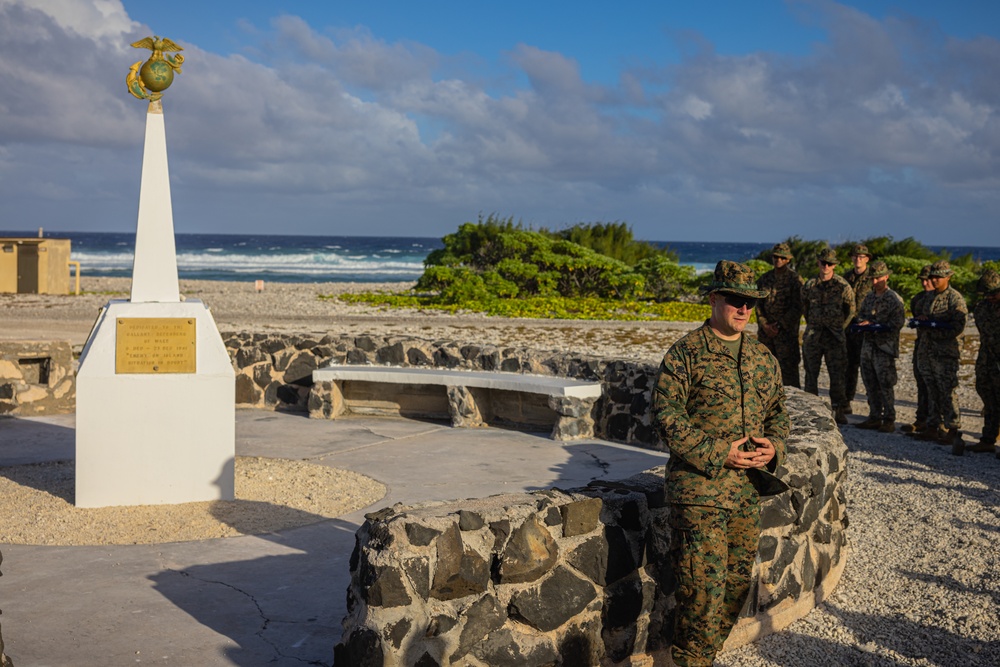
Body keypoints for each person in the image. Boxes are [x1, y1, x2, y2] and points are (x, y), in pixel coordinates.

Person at [653, 260, 789, 667]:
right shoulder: (686, 354)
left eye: (751, 302)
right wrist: (719, 452)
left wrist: (774, 446)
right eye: (735, 300)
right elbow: (666, 415)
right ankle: (691, 661)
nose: (744, 309)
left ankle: (702, 657)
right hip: (700, 492)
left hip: (746, 493)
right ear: (714, 299)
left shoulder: (763, 357)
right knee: (701, 591)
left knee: (733, 589)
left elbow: (779, 411)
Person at [912, 260, 967, 451]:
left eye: (938, 277)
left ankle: (952, 428)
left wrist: (936, 330)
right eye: (932, 276)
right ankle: (933, 425)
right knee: (931, 388)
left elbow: (958, 326)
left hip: (945, 353)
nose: (934, 280)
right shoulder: (928, 298)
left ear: (948, 277)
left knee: (947, 390)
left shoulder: (954, 299)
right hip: (927, 351)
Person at [801, 248, 855, 424]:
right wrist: (814, 323)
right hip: (814, 335)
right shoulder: (810, 285)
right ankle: (810, 410)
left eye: (830, 263)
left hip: (834, 337)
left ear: (834, 265)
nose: (826, 266)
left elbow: (850, 310)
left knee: (837, 374)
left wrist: (839, 327)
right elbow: (805, 307)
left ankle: (839, 409)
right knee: (811, 374)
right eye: (823, 262)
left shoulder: (842, 286)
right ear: (818, 263)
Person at [852, 261, 905, 432]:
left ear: (886, 277)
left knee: (885, 383)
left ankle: (889, 418)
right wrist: (863, 323)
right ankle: (874, 416)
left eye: (879, 278)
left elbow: (897, 323)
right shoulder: (869, 297)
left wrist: (875, 324)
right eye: (873, 279)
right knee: (870, 382)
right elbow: (861, 316)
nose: (875, 282)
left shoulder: (893, 299)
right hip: (868, 346)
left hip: (884, 347)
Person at [756, 242, 804, 388]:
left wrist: (779, 325)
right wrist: (764, 324)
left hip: (786, 335)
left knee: (790, 376)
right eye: (776, 257)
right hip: (766, 335)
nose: (778, 260)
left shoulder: (795, 280)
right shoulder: (764, 279)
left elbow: (798, 306)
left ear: (788, 260)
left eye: (782, 258)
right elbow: (758, 304)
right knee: (765, 373)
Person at [902, 265, 935, 434]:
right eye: (922, 280)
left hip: (938, 348)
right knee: (921, 382)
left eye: (927, 280)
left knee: (936, 386)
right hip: (921, 344)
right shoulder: (918, 299)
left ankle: (936, 422)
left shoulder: (943, 298)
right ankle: (921, 419)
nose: (924, 283)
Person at [972, 269, 1000, 454]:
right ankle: (988, 438)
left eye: (993, 293)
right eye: (986, 294)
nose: (989, 297)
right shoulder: (981, 308)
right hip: (986, 359)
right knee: (987, 395)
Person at [843, 243, 874, 413]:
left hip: (867, 330)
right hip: (849, 328)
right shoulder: (846, 278)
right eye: (855, 256)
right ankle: (847, 401)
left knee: (869, 369)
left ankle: (874, 406)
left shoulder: (872, 278)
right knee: (849, 367)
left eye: (861, 257)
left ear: (867, 259)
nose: (858, 260)